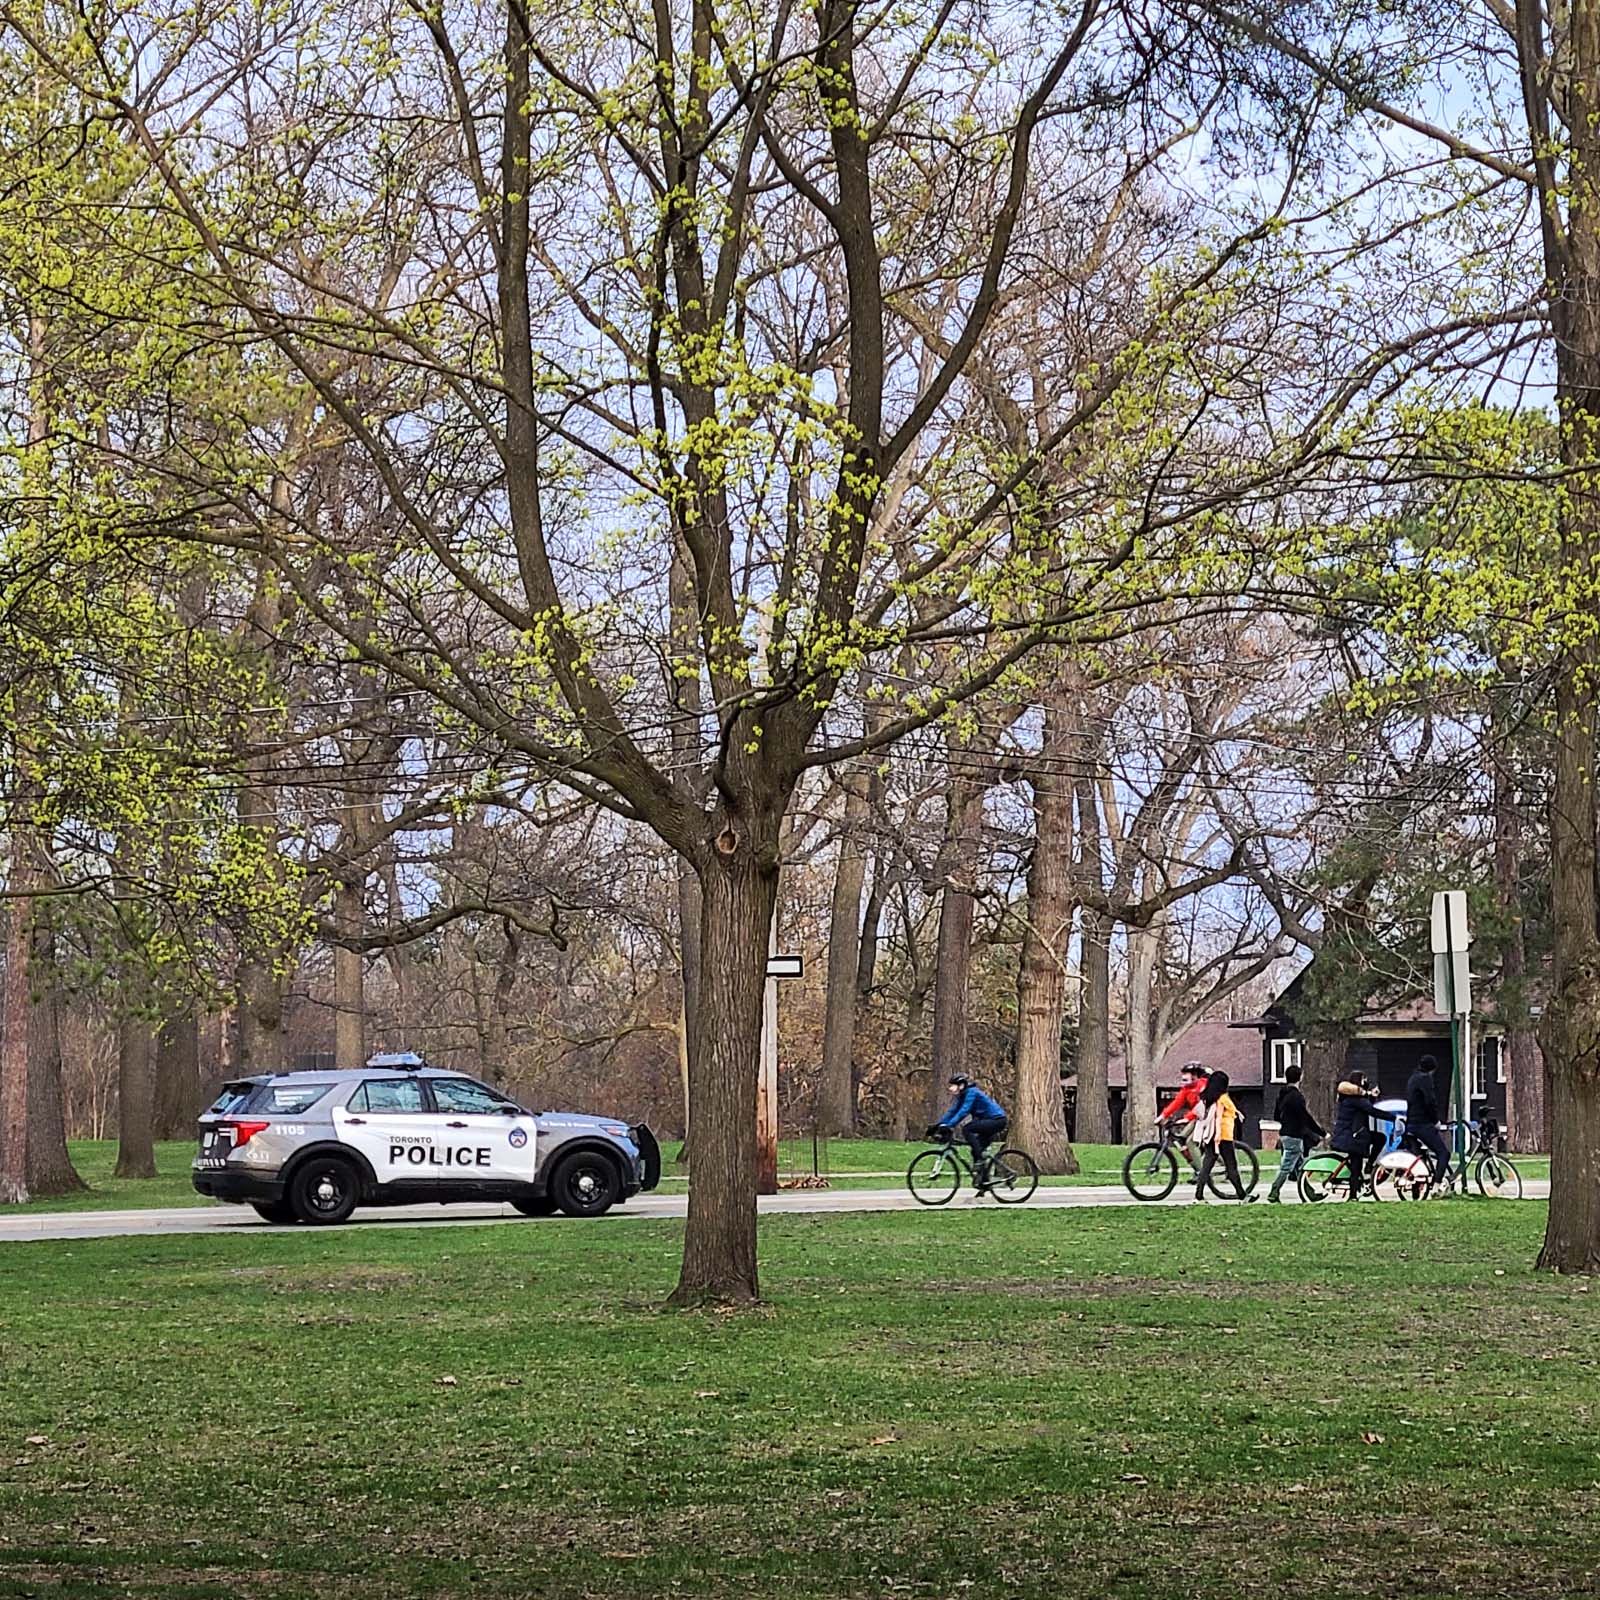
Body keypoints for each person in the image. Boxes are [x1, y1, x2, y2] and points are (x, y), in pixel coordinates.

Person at [1191, 1069, 1256, 1202]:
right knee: (1231, 1166)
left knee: (1207, 1166)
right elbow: (1219, 1117)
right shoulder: (1222, 1098)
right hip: (1223, 1136)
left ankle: (1198, 1196)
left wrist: (1237, 1113)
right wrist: (1218, 1137)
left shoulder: (1213, 1098)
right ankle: (1242, 1196)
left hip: (1214, 1136)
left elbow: (1228, 1110)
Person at [1329, 1074, 1396, 1199]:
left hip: (1352, 1134)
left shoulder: (1350, 1098)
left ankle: (1368, 1168)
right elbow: (1371, 1110)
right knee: (1356, 1166)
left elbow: (1365, 1106)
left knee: (1378, 1138)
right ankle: (1353, 1195)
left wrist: (1371, 1096)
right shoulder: (1355, 1100)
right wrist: (1393, 1117)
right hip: (1353, 1137)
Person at [934, 1074, 1008, 1185]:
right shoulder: (962, 1096)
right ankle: (984, 1182)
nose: (951, 1088)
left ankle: (980, 1161)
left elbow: (964, 1111)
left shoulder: (972, 1092)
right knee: (976, 1149)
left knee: (967, 1129)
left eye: (953, 1085)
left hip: (996, 1120)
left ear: (961, 1085)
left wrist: (950, 1125)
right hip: (988, 1121)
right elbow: (953, 1111)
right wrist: (939, 1125)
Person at [1267, 1062, 1325, 1203]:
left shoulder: (1282, 1094)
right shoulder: (1297, 1097)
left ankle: (1309, 1193)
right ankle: (1274, 1191)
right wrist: (1320, 1132)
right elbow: (1305, 1117)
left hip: (1284, 1133)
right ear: (1300, 1078)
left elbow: (1276, 1116)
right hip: (1294, 1135)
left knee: (1300, 1167)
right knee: (1286, 1167)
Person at [1404, 1053, 1453, 1192]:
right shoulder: (1425, 1079)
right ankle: (1436, 1186)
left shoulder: (1413, 1078)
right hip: (1422, 1123)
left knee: (1419, 1157)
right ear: (1432, 1069)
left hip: (1411, 1123)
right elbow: (1430, 1101)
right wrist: (1435, 1120)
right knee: (1443, 1154)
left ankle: (1418, 1187)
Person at [1158, 1062, 1209, 1155]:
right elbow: (1176, 1103)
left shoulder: (1203, 1086)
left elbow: (1203, 1106)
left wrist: (1187, 1118)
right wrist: (1163, 1116)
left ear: (1195, 1075)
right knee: (1182, 1138)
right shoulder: (1186, 1089)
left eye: (1186, 1074)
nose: (1183, 1077)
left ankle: (1202, 1169)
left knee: (1191, 1142)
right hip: (1199, 1118)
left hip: (1210, 1117)